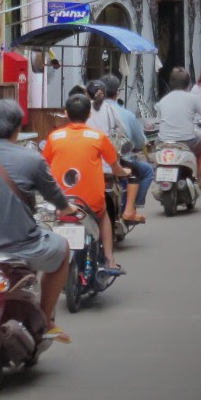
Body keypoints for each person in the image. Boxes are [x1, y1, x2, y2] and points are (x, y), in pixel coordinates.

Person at [0, 99, 79, 344]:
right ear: (17, 129)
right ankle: (45, 319)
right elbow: (56, 197)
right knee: (62, 249)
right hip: (23, 246)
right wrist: (67, 208)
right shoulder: (32, 160)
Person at [44, 93, 130, 273]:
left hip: (61, 200)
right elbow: (115, 167)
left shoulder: (54, 137)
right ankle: (109, 259)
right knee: (104, 214)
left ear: (66, 113)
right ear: (89, 114)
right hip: (90, 204)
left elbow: (44, 164)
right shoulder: (98, 137)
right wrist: (125, 173)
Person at [100, 75, 155, 223]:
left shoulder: (91, 111)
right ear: (117, 92)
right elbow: (139, 141)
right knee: (144, 170)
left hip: (93, 160)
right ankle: (130, 209)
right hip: (115, 161)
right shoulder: (124, 114)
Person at [156, 67, 201, 181]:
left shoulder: (163, 101)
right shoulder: (193, 98)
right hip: (188, 141)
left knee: (155, 147)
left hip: (163, 141)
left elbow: (159, 121)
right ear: (188, 84)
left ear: (171, 83)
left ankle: (158, 171)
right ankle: (198, 178)